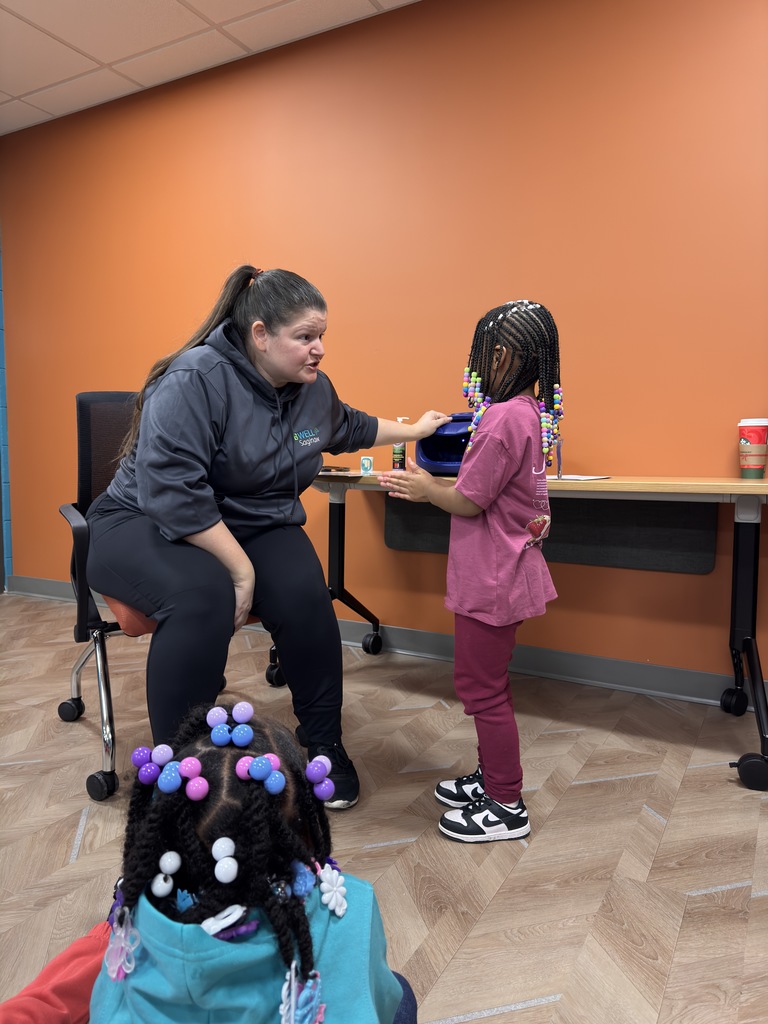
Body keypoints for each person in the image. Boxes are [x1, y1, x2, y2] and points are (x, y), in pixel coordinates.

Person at [86, 264, 449, 810]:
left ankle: (324, 743)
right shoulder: (195, 380)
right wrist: (242, 571)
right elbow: (173, 493)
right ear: (260, 334)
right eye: (304, 336)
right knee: (201, 596)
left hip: (248, 522)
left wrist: (417, 429)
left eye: (321, 335)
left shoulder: (310, 390)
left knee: (307, 597)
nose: (319, 348)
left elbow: (350, 426)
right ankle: (182, 770)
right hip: (140, 518)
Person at [87, 702, 417, 1023]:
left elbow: (106, 1007)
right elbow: (380, 1002)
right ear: (304, 829)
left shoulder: (136, 918)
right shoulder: (354, 908)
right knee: (402, 993)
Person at [379, 300, 563, 843]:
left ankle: (506, 803)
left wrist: (423, 488)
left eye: (483, 357)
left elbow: (469, 499)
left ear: (503, 355)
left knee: (481, 688)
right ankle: (491, 779)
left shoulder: (503, 418)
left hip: (492, 577)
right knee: (487, 683)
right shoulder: (529, 412)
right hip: (507, 570)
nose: (478, 368)